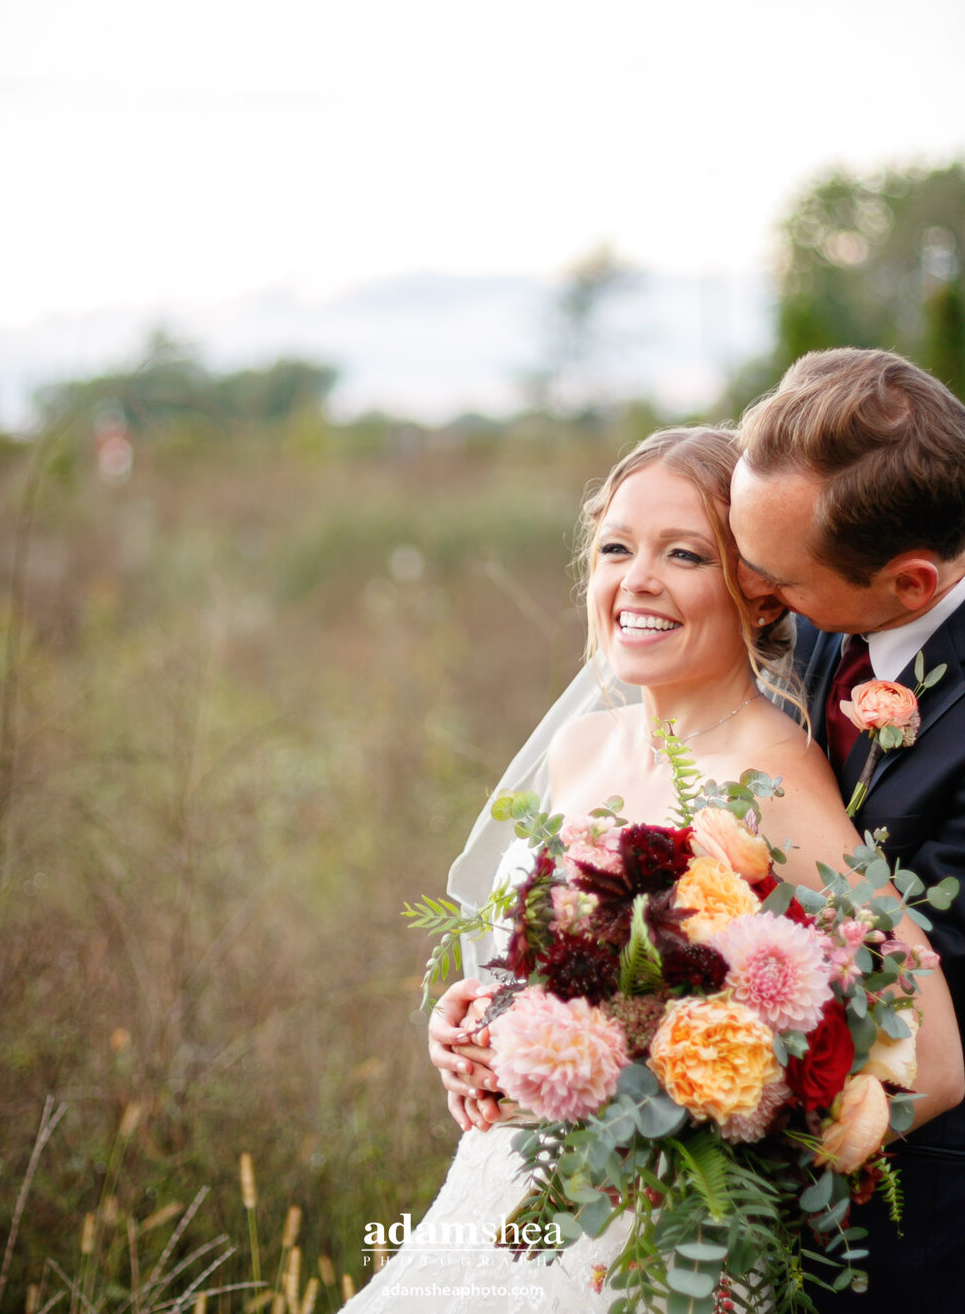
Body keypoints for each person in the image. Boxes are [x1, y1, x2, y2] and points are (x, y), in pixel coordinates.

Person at [346, 426, 962, 1314]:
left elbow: (934, 1062)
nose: (637, 578)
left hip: (667, 1245)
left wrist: (727, 1156)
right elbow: (540, 973)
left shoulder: (774, 773)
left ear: (757, 593)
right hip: (506, 1197)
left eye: (684, 553)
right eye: (615, 548)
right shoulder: (577, 749)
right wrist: (480, 1029)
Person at [728, 346, 965, 1311]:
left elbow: (926, 1003)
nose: (750, 589)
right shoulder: (821, 608)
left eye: (776, 574)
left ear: (911, 585)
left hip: (921, 1223)